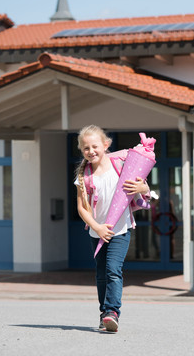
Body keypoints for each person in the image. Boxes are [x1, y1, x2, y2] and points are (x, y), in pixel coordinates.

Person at [74, 125, 150, 332]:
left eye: (95, 146)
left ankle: (112, 311)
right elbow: (81, 208)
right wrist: (97, 228)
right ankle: (104, 313)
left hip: (120, 229)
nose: (91, 151)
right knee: (101, 274)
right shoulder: (84, 175)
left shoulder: (121, 166)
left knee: (113, 270)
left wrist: (143, 188)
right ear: (82, 150)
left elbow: (143, 186)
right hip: (96, 231)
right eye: (86, 148)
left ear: (106, 145)